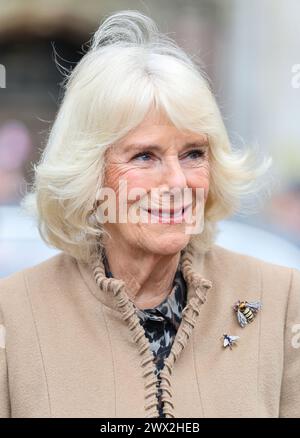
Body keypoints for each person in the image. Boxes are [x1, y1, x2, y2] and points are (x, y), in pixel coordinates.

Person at [0, 10, 299, 418]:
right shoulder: (13, 314)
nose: (177, 181)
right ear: (90, 174)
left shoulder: (281, 299)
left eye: (193, 153)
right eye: (145, 156)